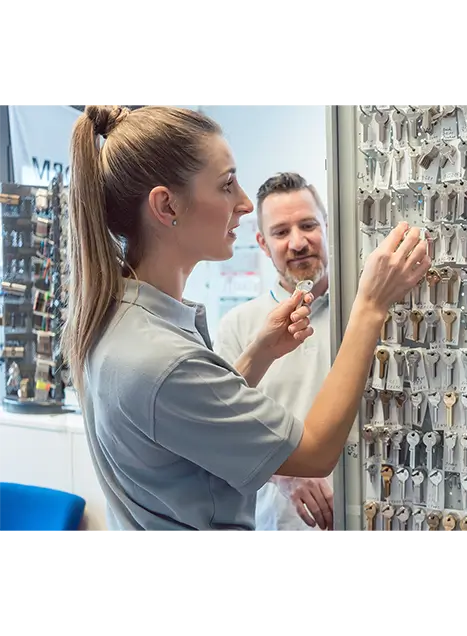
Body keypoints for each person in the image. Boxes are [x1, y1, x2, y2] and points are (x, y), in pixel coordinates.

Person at [62, 104, 431, 535]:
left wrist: (258, 353)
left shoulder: (129, 326)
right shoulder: (157, 357)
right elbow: (314, 452)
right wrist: (370, 305)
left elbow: (195, 424)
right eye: (226, 185)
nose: (241, 203)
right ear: (166, 206)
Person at [215, 172, 333, 535]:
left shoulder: (362, 314)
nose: (298, 242)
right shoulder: (237, 326)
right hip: (279, 526)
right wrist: (285, 475)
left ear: (327, 227)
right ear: (263, 244)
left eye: (308, 225)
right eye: (281, 232)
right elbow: (223, 436)